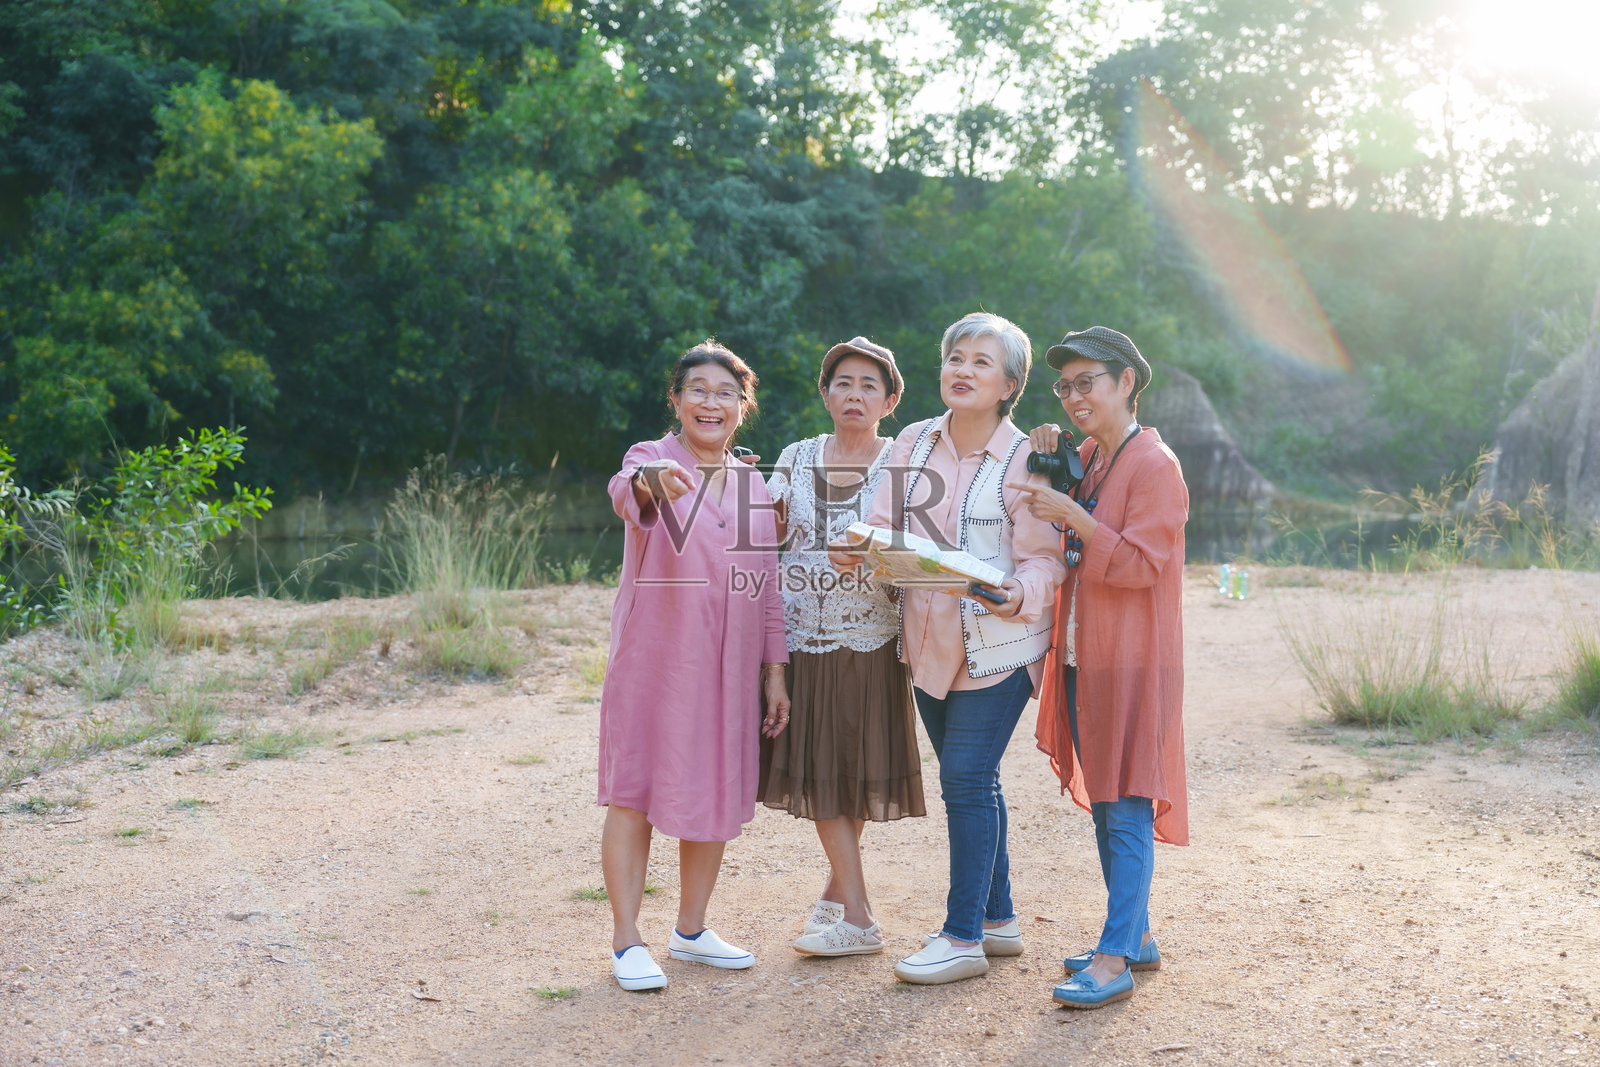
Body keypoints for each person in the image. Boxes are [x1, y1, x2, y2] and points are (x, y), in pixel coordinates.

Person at [832, 311, 1066, 985]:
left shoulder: (1030, 457)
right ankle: (998, 920)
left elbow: (1046, 560)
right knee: (974, 778)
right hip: (927, 640)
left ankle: (961, 935)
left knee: (965, 775)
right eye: (955, 357)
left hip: (1001, 641)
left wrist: (1017, 592)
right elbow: (878, 522)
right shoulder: (910, 441)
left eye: (981, 362)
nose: (962, 369)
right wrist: (858, 550)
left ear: (1010, 383)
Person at [597, 340, 791, 992]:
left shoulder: (753, 484)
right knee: (636, 791)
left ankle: (691, 928)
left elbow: (767, 588)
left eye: (726, 392)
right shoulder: (649, 460)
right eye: (698, 390)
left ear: (744, 406)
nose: (712, 401)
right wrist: (650, 483)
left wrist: (775, 671)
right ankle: (627, 940)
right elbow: (627, 492)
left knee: (714, 784)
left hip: (730, 670)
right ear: (676, 400)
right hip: (656, 663)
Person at [1013, 326, 1189, 1009]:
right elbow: (1069, 520)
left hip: (1135, 661)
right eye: (1066, 385)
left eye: (1089, 382)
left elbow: (1144, 564)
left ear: (1126, 383)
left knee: (1125, 807)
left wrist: (1073, 517)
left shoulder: (1156, 465)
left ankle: (1114, 958)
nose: (1076, 395)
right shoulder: (1091, 454)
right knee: (1106, 806)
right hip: (1088, 657)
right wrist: (1053, 457)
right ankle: (1134, 932)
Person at [760, 337, 926, 958]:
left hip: (872, 637)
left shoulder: (902, 465)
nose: (854, 395)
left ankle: (857, 917)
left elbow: (918, 559)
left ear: (890, 400)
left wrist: (873, 557)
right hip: (804, 636)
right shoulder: (796, 456)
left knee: (848, 770)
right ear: (825, 392)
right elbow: (769, 535)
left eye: (868, 386)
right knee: (826, 767)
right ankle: (841, 901)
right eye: (843, 383)